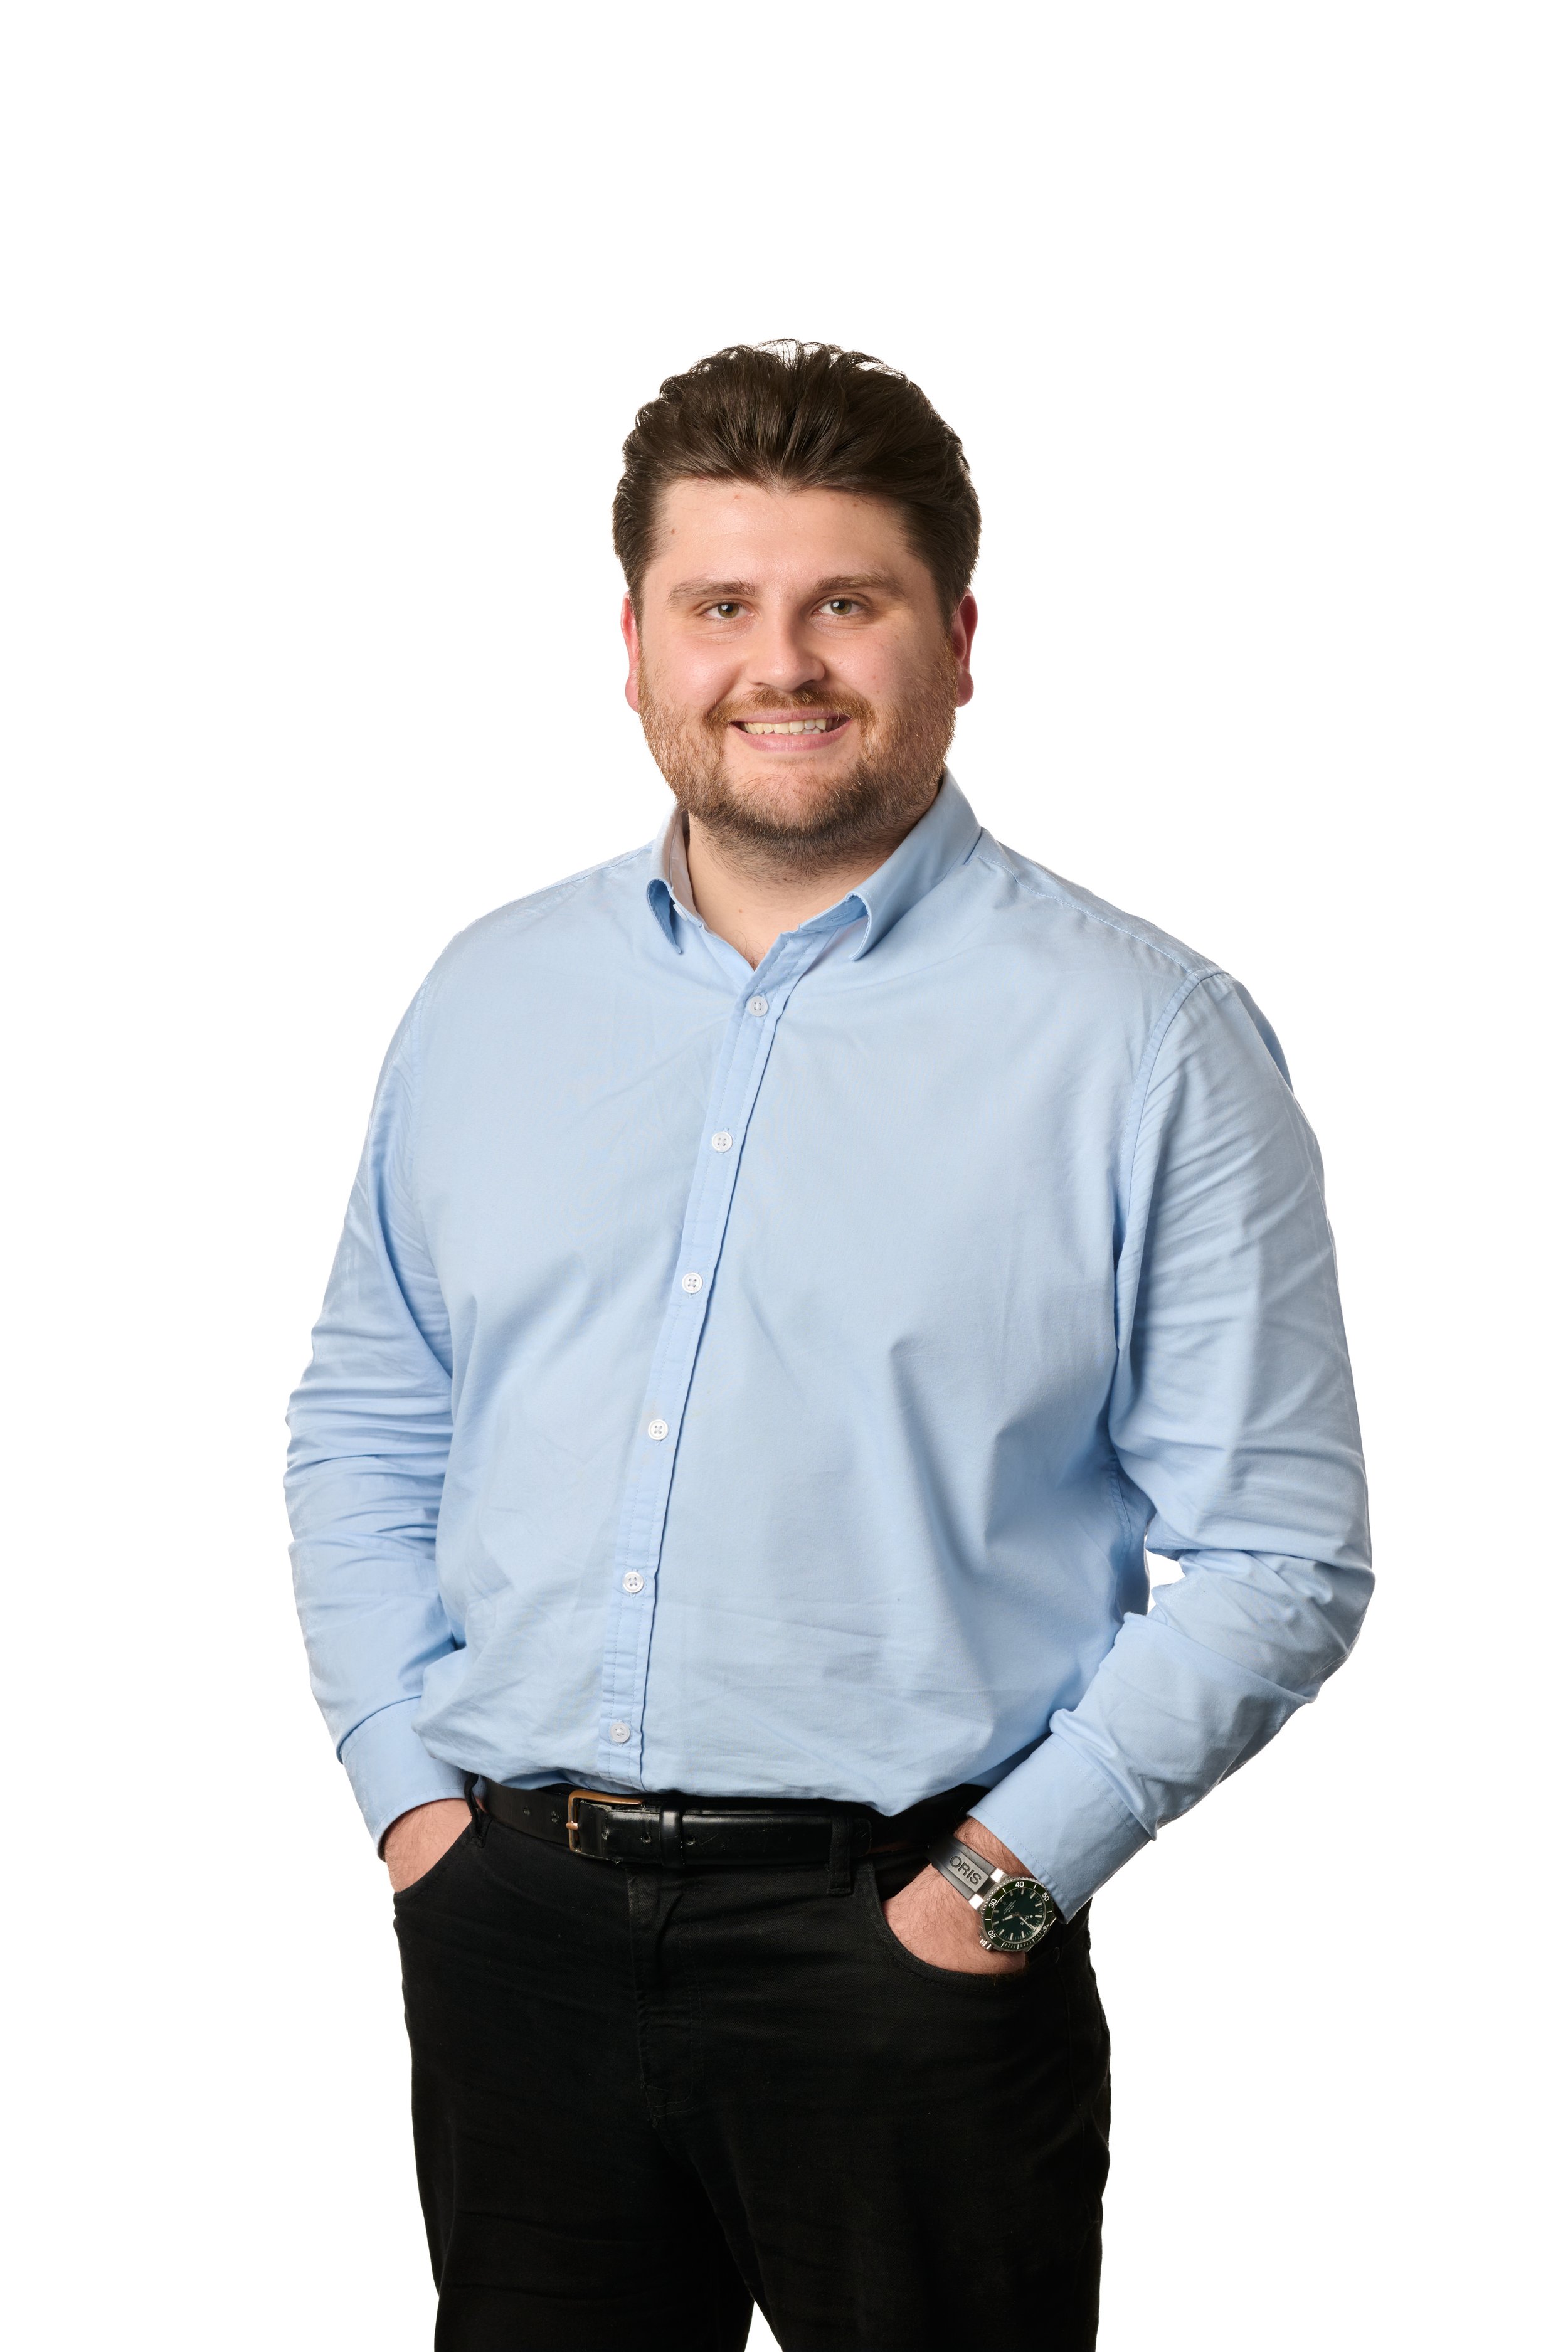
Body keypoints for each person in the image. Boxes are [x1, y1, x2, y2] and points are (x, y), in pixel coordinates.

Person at [286, 340, 1372, 2351]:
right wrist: (406, 1802)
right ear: (632, 645)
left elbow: (1278, 1553)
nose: (776, 664)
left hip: (904, 1953)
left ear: (954, 639)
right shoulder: (487, 996)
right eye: (719, 606)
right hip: (508, 1926)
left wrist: (997, 1897)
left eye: (842, 604)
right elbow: (375, 1409)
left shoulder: (1146, 1041)